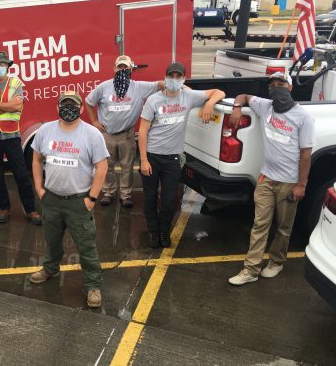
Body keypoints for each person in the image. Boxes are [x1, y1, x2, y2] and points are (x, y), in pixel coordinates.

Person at [228, 72, 315, 286]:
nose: (277, 88)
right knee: (260, 225)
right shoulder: (265, 106)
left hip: (289, 183)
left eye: (282, 84)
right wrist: (237, 108)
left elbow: (306, 154)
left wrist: (301, 185)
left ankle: (276, 262)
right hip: (266, 179)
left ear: (291, 87)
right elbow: (244, 96)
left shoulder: (303, 117)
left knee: (284, 227)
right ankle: (251, 269)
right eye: (273, 85)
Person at [28, 91, 109, 308]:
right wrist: (39, 188)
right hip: (51, 199)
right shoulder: (45, 131)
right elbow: (36, 159)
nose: (68, 108)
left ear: (81, 108)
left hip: (78, 201)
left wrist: (92, 198)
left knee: (86, 246)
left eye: (73, 105)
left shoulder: (92, 135)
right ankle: (50, 269)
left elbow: (102, 166)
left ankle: (93, 285)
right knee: (52, 239)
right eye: (64, 104)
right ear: (57, 107)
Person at [139, 62, 224, 248]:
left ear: (183, 79)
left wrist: (209, 104)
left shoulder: (189, 96)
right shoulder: (154, 100)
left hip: (173, 158)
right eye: (171, 76)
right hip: (152, 156)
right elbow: (143, 131)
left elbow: (219, 92)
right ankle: (153, 231)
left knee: (169, 199)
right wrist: (144, 160)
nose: (174, 80)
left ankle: (164, 231)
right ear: (166, 77)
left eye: (178, 77)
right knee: (150, 197)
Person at [85, 55, 164, 208]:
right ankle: (108, 193)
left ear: (130, 70)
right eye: (119, 67)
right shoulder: (104, 87)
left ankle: (125, 195)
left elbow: (159, 85)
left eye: (125, 68)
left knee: (127, 167)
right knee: (107, 166)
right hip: (107, 135)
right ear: (114, 69)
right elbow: (88, 102)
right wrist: (94, 121)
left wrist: (178, 86)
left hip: (126, 135)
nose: (122, 70)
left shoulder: (139, 87)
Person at [0, 50, 42, 225]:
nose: (0, 67)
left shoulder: (15, 83)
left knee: (21, 174)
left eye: (2, 64)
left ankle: (30, 210)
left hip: (11, 136)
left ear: (8, 66)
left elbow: (17, 106)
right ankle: (3, 208)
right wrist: (6, 107)